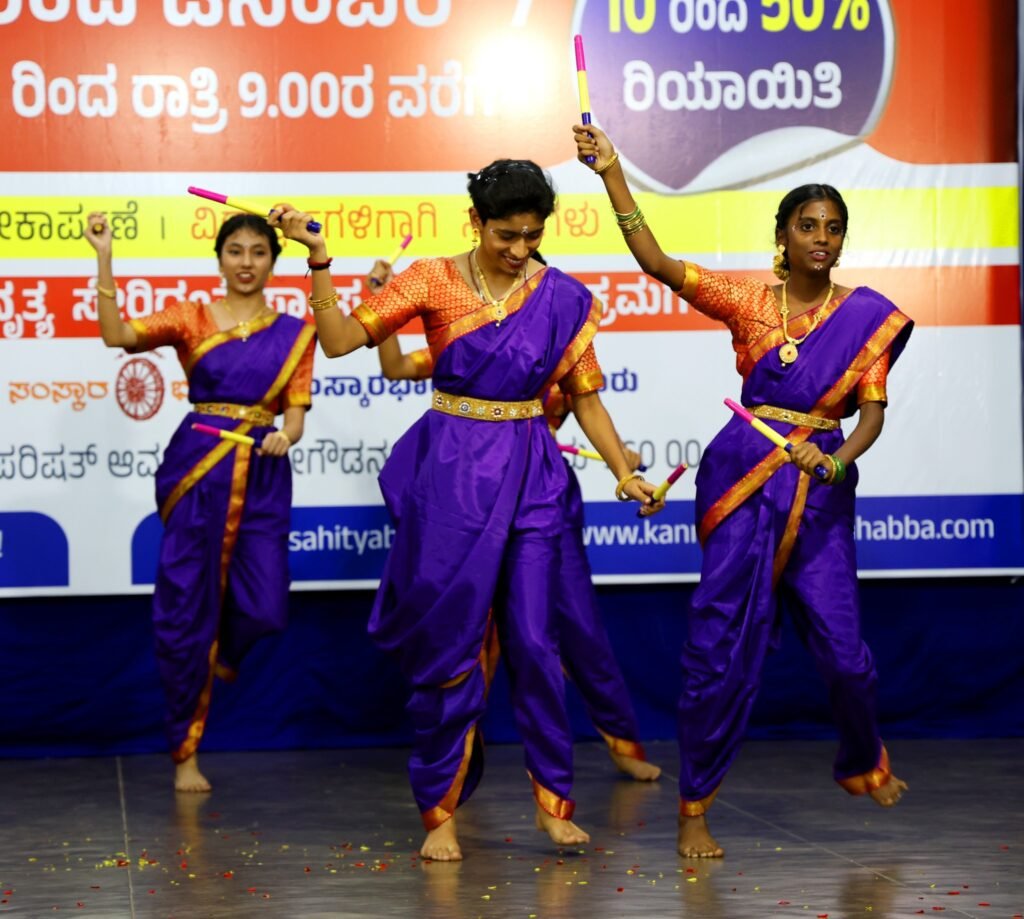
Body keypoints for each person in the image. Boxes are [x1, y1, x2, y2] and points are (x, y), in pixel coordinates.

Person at [276, 159, 662, 861]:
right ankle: (440, 809)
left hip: (534, 472)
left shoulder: (563, 297)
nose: (519, 248)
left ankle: (553, 800)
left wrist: (623, 470)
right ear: (476, 221)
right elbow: (337, 342)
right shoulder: (431, 278)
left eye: (532, 235)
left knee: (536, 641)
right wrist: (320, 258)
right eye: (506, 235)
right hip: (453, 472)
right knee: (450, 645)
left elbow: (585, 398)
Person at [572, 125, 913, 858]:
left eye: (833, 228)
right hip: (746, 480)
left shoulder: (866, 318)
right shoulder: (749, 303)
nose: (821, 239)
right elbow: (656, 261)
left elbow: (873, 415)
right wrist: (612, 174)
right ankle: (693, 807)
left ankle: (863, 758)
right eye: (808, 226)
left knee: (847, 657)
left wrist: (836, 460)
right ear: (783, 235)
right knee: (719, 647)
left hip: (819, 490)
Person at [369, 284, 661, 784]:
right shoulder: (471, 341)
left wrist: (623, 461)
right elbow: (396, 368)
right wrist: (380, 302)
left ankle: (621, 739)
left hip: (540, 491)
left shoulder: (560, 336)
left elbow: (589, 405)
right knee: (463, 627)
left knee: (578, 624)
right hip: (469, 491)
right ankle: (454, 766)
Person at [85, 211, 316, 793]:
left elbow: (294, 414)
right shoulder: (191, 317)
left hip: (262, 471)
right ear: (219, 259)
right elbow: (117, 336)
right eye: (235, 250)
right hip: (199, 467)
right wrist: (104, 257)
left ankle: (219, 652)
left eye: (258, 251)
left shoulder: (297, 333)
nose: (246, 262)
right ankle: (185, 753)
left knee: (266, 606)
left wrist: (288, 435)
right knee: (186, 612)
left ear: (273, 262)